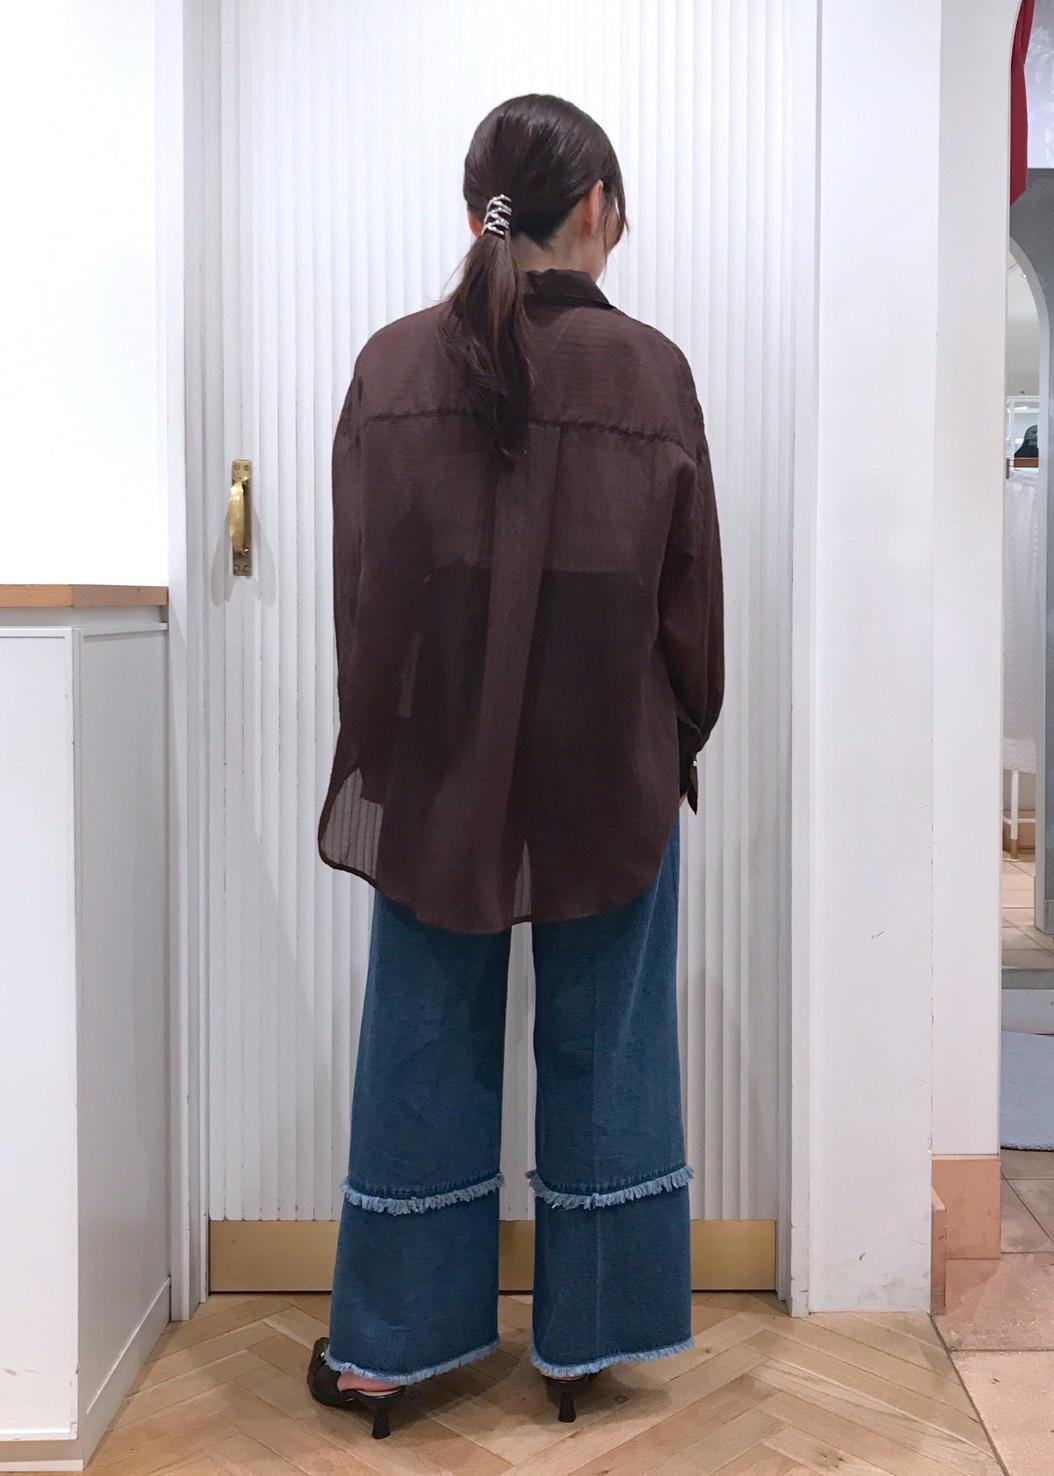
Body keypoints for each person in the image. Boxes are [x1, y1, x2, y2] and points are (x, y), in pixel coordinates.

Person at [307, 93, 724, 1439]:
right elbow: (689, 604)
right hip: (610, 765)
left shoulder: (389, 366)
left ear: (476, 209)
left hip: (436, 769)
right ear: (595, 208)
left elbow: (365, 599)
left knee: (420, 1033)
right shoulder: (649, 374)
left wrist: (396, 739)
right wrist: (680, 736)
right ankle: (586, 1340)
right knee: (608, 1040)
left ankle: (385, 1350)